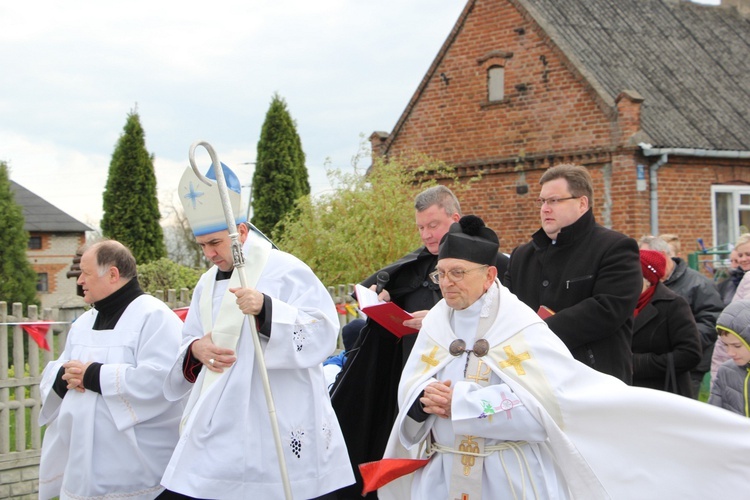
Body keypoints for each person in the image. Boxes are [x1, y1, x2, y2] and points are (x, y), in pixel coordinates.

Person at [369, 216, 750, 499]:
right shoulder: (437, 323)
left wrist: (463, 404)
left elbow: (547, 410)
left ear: (488, 276)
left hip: (507, 477)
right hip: (441, 475)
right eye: (440, 275)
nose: (446, 283)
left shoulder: (518, 326)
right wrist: (421, 407)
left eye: (457, 273)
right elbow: (412, 390)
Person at [160, 162, 353, 498]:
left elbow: (322, 331)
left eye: (215, 243)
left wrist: (267, 308)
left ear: (242, 231)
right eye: (202, 245)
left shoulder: (286, 270)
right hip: (221, 418)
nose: (209, 254)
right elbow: (189, 338)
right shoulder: (205, 285)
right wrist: (196, 350)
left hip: (277, 409)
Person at [330, 185, 509, 498]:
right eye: (421, 228)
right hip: (417, 378)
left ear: (455, 219)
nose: (426, 235)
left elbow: (501, 315)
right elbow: (373, 293)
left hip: (474, 383)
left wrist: (438, 319)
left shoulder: (496, 266)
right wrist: (379, 300)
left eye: (433, 226)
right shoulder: (411, 266)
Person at [38, 240, 184, 500]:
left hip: (134, 467)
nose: (80, 280)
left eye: (86, 273)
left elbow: (163, 380)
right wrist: (63, 377)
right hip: (82, 465)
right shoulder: (84, 322)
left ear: (113, 274)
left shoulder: (154, 317)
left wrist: (93, 375)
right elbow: (61, 367)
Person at [504, 164, 642, 383]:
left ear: (582, 203)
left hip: (593, 378)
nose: (545, 208)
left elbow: (609, 308)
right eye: (542, 201)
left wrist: (539, 332)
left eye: (554, 200)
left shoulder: (615, 248)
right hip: (532, 379)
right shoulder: (522, 256)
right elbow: (505, 310)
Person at [639, 235, 724, 398]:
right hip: (654, 367)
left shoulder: (698, 283)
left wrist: (680, 339)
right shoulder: (645, 286)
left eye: (647, 255)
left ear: (662, 255)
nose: (642, 260)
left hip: (687, 367)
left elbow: (712, 320)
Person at [632, 249, 701, 397]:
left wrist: (639, 363)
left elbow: (690, 354)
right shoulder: (619, 304)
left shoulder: (673, 304)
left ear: (647, 279)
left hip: (664, 395)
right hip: (628, 394)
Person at [712, 235, 750, 380]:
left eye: (748, 254)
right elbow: (730, 323)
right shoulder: (743, 280)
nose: (743, 259)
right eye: (740, 255)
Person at [709, 300, 750, 417]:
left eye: (737, 346)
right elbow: (713, 418)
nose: (730, 353)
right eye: (726, 345)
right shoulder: (726, 371)